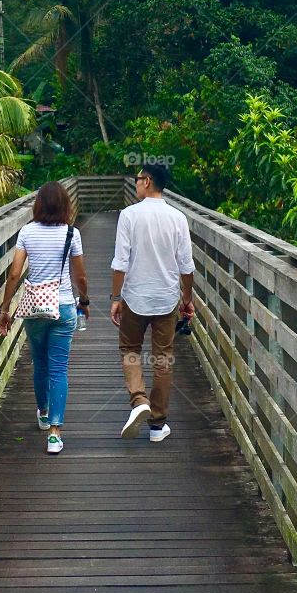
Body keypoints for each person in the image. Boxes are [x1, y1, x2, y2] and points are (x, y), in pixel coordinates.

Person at [0, 181, 90, 454]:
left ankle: (43, 412)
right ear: (65, 205)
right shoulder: (71, 233)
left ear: (38, 205)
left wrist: (5, 310)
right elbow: (80, 276)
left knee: (39, 363)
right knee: (59, 369)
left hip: (35, 307)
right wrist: (84, 301)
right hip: (63, 307)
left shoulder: (27, 231)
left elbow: (14, 274)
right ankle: (54, 434)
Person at [110, 160, 195, 442]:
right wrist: (187, 299)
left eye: (137, 179)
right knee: (163, 358)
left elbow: (120, 263)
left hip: (135, 296)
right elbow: (187, 267)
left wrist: (115, 297)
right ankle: (158, 426)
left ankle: (139, 400)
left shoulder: (129, 215)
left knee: (130, 349)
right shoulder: (178, 217)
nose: (135, 184)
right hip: (167, 298)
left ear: (147, 181)